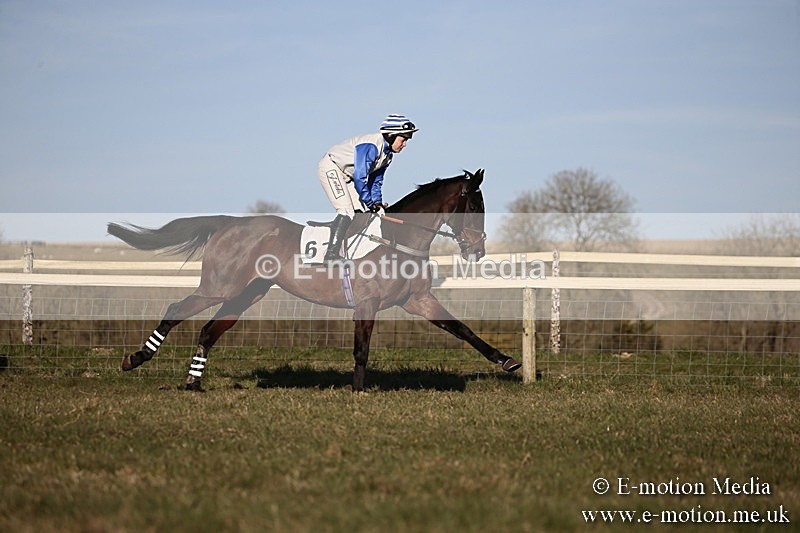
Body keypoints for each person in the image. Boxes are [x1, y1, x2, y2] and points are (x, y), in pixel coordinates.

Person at [317, 113, 418, 261]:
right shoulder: (371, 146)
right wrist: (370, 203)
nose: (405, 144)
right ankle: (330, 255)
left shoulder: (388, 156)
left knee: (361, 215)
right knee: (346, 212)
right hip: (332, 168)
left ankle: (349, 253)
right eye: (403, 140)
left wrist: (377, 203)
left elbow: (376, 181)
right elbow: (360, 178)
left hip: (349, 176)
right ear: (390, 136)